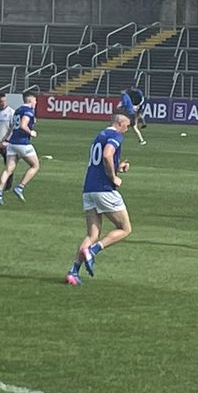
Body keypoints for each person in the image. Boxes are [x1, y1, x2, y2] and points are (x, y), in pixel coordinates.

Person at [66, 113, 132, 285]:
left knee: (92, 233)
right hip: (104, 189)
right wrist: (113, 177)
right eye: (126, 125)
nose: (127, 129)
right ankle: (93, 251)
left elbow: (100, 160)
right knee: (125, 229)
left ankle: (73, 271)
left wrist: (118, 167)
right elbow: (106, 154)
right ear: (119, 123)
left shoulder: (100, 135)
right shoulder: (115, 135)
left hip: (89, 189)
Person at [0, 92, 40, 205]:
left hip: (12, 143)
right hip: (23, 143)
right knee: (35, 166)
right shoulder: (28, 111)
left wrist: (5, 140)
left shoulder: (17, 110)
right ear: (30, 100)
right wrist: (31, 132)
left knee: (8, 169)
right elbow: (23, 125)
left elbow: (12, 127)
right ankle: (20, 187)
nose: (36, 102)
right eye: (35, 100)